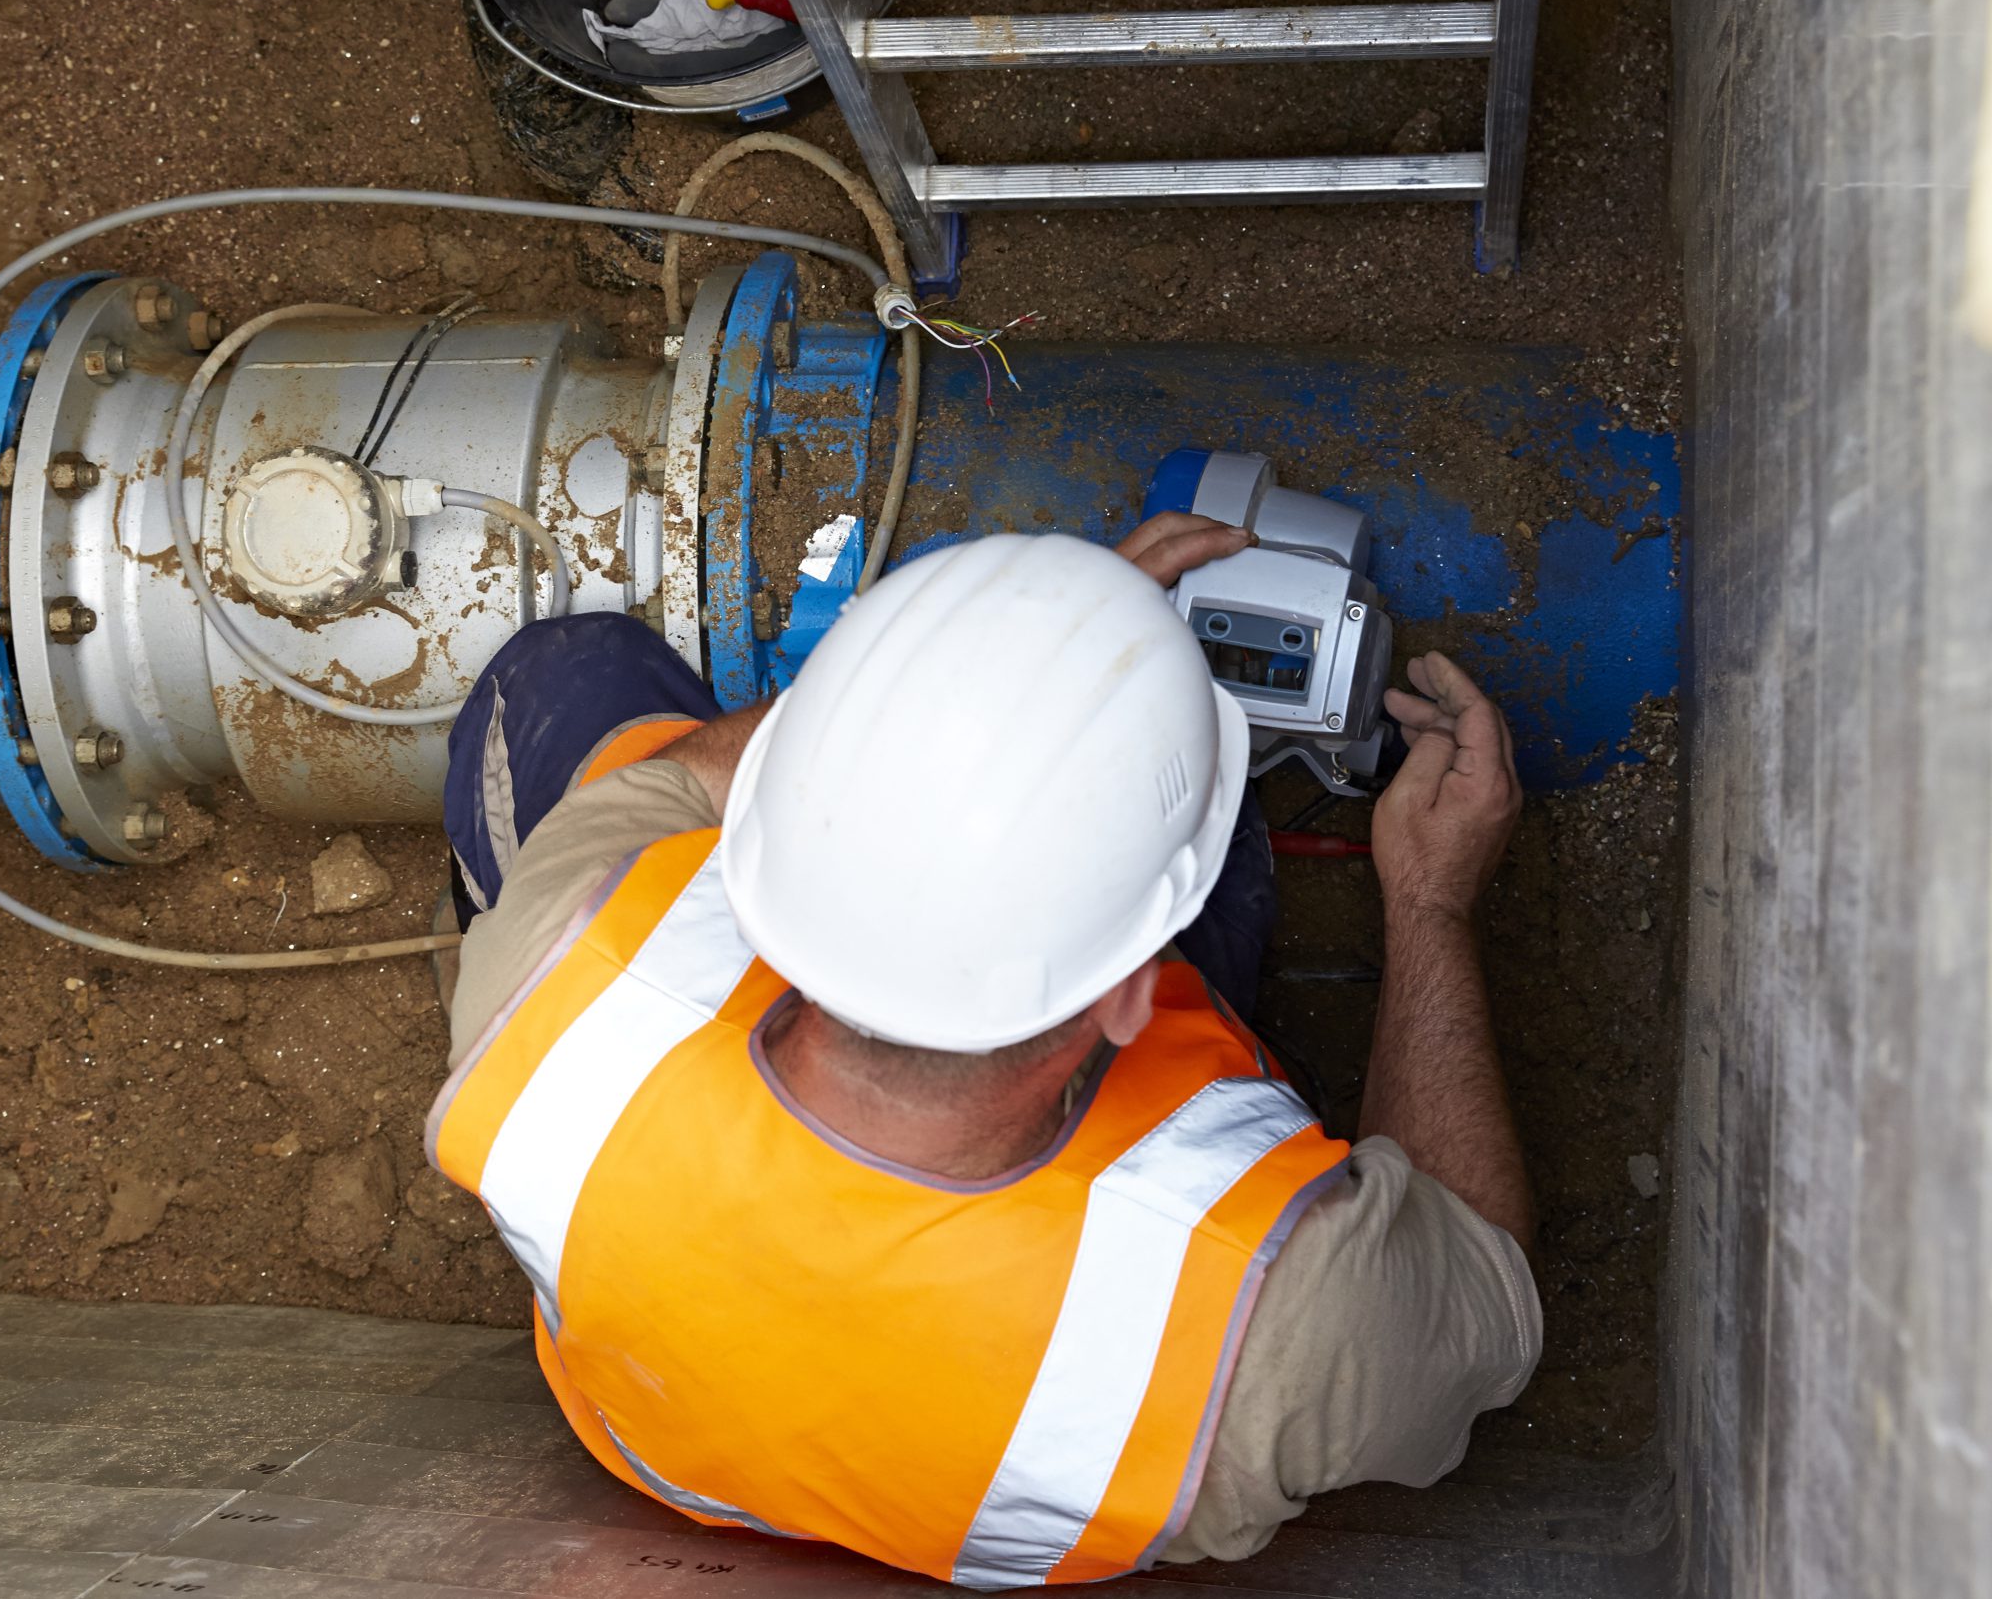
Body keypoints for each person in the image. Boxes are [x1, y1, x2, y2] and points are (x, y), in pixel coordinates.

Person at [427, 516, 1540, 1588]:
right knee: (1226, 849)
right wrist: (1432, 897)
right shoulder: (1273, 1313)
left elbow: (680, 782)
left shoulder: (550, 976)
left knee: (566, 675)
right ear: (1127, 1002)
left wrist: (976, 702)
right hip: (1002, 1505)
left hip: (675, 1454)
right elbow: (1483, 1275)